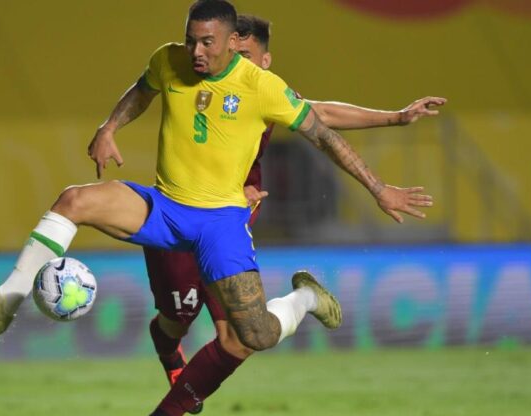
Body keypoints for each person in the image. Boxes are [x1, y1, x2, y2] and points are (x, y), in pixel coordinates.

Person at [0, 1, 434, 415]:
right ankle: (5, 302)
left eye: (206, 43)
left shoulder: (262, 86)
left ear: (231, 42)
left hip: (220, 224)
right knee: (74, 200)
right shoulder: (169, 60)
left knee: (254, 335)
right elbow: (142, 90)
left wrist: (379, 188)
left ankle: (304, 298)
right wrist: (110, 127)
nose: (196, 51)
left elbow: (323, 133)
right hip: (164, 208)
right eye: (190, 41)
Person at [143, 13, 445, 414]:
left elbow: (323, 116)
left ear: (265, 61)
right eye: (231, 51)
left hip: (226, 222)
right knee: (176, 317)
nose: (234, 61)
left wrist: (397, 117)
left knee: (238, 337)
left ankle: (174, 405)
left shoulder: (264, 90)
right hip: (181, 213)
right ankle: (169, 350)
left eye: (245, 55)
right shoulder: (198, 81)